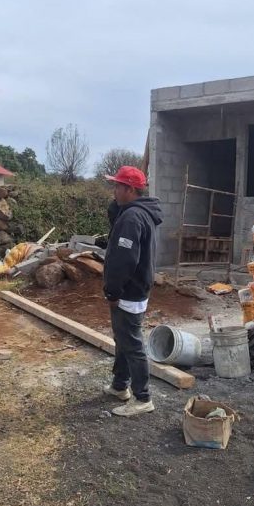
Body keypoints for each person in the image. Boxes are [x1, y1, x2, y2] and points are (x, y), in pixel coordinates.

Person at [101, 166, 162, 417]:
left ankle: (143, 397)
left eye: (118, 186)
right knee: (123, 339)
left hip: (128, 291)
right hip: (135, 288)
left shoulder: (132, 218)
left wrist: (113, 291)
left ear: (130, 189)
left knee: (132, 343)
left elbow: (124, 260)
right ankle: (120, 385)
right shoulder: (138, 213)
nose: (114, 191)